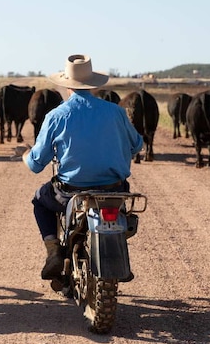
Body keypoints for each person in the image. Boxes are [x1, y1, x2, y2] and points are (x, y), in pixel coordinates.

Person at [24, 54, 143, 281]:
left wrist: (25, 156)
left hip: (71, 192)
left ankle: (53, 252)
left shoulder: (57, 115)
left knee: (40, 200)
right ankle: (115, 251)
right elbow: (137, 145)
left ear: (66, 85)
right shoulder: (116, 112)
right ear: (93, 85)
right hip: (113, 190)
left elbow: (36, 164)